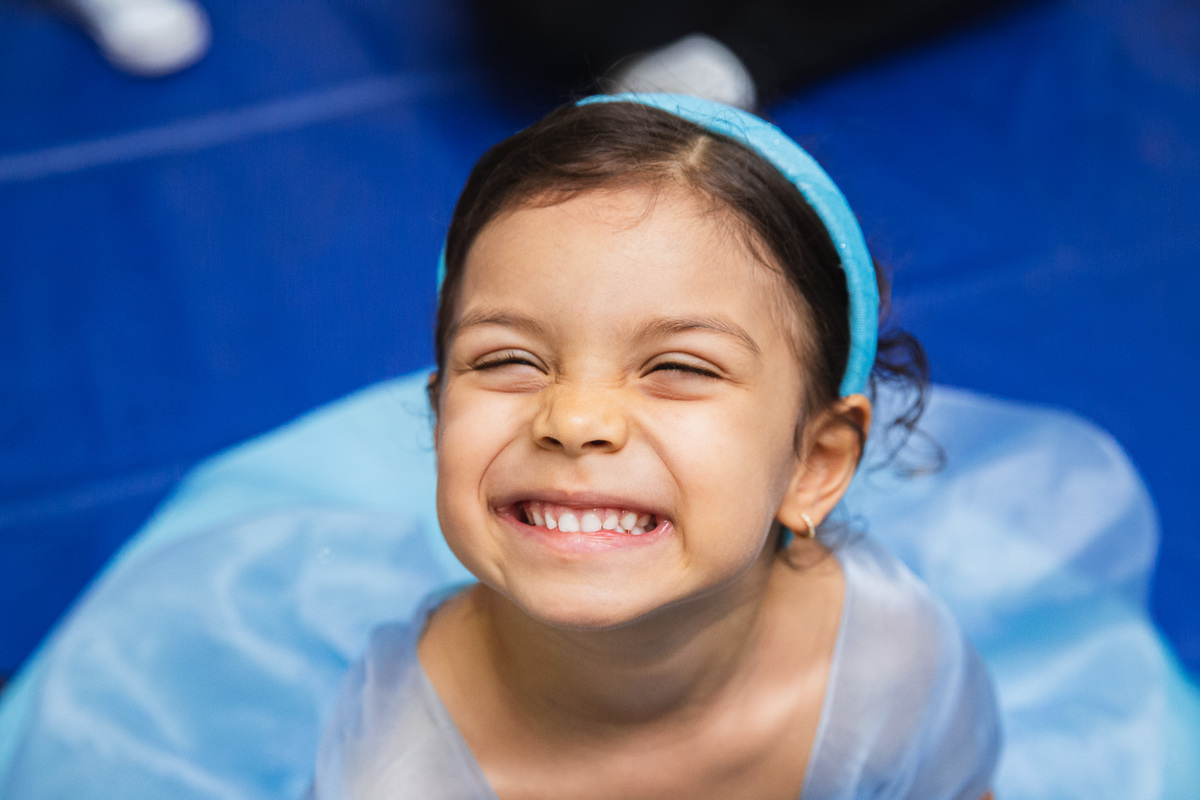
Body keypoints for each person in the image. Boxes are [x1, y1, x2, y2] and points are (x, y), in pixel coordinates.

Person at [308, 93, 1000, 799]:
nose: (574, 418)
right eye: (507, 360)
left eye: (679, 368)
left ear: (813, 464)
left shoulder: (892, 667)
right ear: (439, 417)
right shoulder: (396, 772)